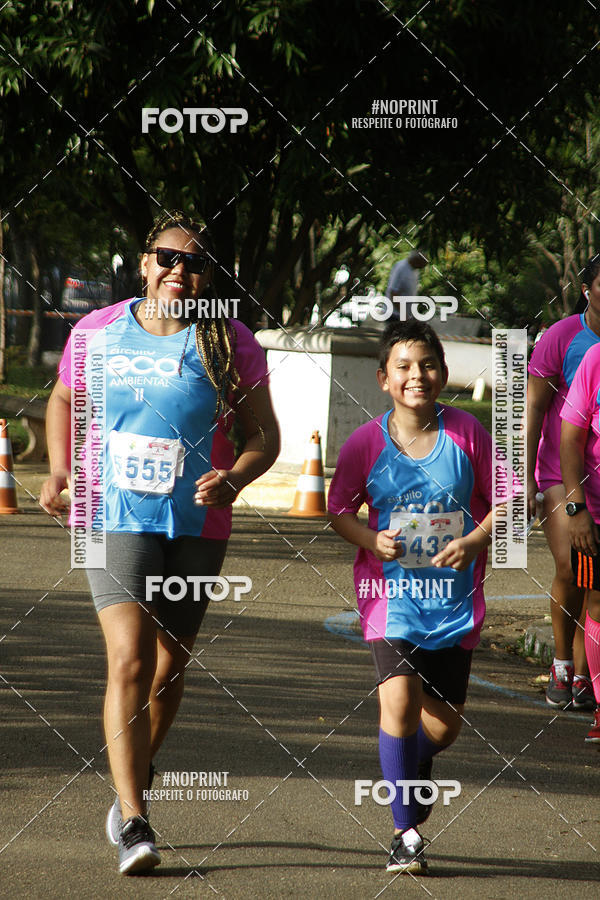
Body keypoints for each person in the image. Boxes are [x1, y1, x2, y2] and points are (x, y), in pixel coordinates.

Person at [39, 210, 280, 875]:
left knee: (170, 668)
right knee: (128, 661)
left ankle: (132, 773)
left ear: (208, 276)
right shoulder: (98, 331)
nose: (180, 270)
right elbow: (62, 400)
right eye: (168, 258)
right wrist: (61, 470)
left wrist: (233, 479)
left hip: (198, 522)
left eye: (195, 262)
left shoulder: (229, 342)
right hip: (106, 507)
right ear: (144, 263)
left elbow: (266, 440)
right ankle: (136, 818)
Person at [328, 320, 496, 874]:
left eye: (426, 365)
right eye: (403, 366)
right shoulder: (364, 443)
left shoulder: (469, 433)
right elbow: (338, 510)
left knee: (442, 729)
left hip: (453, 603)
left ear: (443, 374)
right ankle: (405, 833)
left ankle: (410, 763)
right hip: (389, 597)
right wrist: (369, 539)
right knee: (396, 702)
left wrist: (474, 539)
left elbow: (511, 502)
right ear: (383, 378)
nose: (416, 376)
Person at [527, 255, 600, 710]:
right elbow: (534, 407)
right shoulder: (564, 336)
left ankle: (584, 675)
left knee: (594, 582)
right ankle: (561, 664)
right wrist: (522, 478)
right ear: (588, 289)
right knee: (572, 566)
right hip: (561, 472)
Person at [560, 337, 600, 742]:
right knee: (598, 601)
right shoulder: (595, 359)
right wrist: (577, 508)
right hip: (596, 513)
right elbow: (570, 438)